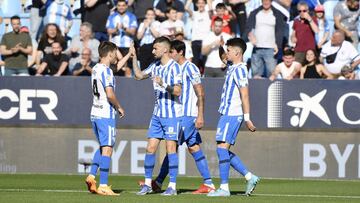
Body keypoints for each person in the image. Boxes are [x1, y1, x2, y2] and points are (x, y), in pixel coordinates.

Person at [138, 40, 215, 194]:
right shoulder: (167, 67)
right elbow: (140, 75)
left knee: (172, 148)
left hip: (185, 114)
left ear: (180, 52)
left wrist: (200, 115)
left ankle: (161, 182)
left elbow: (200, 92)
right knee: (193, 147)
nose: (170, 54)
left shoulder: (190, 68)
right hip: (179, 113)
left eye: (172, 52)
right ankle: (208, 183)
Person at [207, 38, 259, 197]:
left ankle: (224, 188)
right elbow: (223, 55)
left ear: (237, 53)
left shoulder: (241, 70)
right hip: (226, 113)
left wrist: (247, 117)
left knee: (222, 149)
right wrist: (221, 45)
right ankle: (250, 177)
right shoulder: (232, 65)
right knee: (221, 149)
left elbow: (245, 95)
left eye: (229, 50)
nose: (226, 53)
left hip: (233, 113)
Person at [132, 37, 182, 196]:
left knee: (171, 149)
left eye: (155, 48)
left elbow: (178, 91)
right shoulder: (155, 66)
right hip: (157, 114)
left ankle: (172, 186)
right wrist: (134, 58)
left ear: (165, 50)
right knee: (150, 148)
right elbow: (139, 76)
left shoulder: (175, 67)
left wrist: (163, 84)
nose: (153, 51)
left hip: (172, 115)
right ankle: (147, 185)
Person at [85, 41, 125, 196]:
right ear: (110, 53)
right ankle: (103, 185)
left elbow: (117, 66)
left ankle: (91, 176)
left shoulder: (96, 68)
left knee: (103, 146)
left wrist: (128, 54)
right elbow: (109, 94)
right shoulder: (107, 72)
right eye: (115, 52)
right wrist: (119, 107)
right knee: (108, 148)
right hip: (105, 114)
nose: (116, 55)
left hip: (94, 112)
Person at [246, 0, 286, 78]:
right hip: (257, 48)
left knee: (271, 75)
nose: (266, 2)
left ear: (271, 2)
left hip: (271, 48)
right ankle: (257, 90)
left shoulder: (277, 14)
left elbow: (280, 30)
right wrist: (250, 35)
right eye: (264, 0)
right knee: (256, 74)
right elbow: (248, 29)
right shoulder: (255, 13)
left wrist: (277, 45)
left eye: (268, 0)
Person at [106, 0, 138, 77]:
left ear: (126, 6)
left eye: (123, 5)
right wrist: (116, 29)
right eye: (119, 5)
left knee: (127, 69)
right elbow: (109, 31)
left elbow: (133, 32)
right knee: (115, 68)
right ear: (116, 6)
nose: (121, 7)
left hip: (127, 46)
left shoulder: (131, 16)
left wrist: (124, 28)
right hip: (115, 47)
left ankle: (129, 87)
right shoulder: (112, 16)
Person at [185, 0, 211, 72]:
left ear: (205, 4)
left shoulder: (208, 14)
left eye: (202, 3)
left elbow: (211, 9)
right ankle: (194, 77)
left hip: (205, 41)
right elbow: (186, 8)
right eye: (199, 3)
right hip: (195, 40)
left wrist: (208, 1)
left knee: (205, 61)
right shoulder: (194, 13)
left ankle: (206, 77)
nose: (201, 5)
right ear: (196, 4)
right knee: (195, 61)